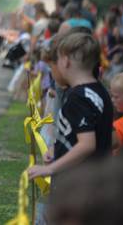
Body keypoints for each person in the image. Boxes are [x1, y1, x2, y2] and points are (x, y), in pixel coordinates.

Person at [28, 32, 113, 180]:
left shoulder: (79, 98)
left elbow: (87, 145)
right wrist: (57, 148)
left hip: (80, 184)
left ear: (65, 61)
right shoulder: (99, 91)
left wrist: (50, 169)